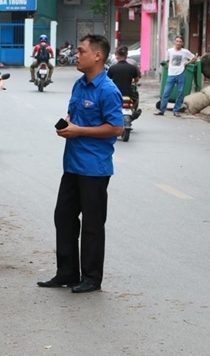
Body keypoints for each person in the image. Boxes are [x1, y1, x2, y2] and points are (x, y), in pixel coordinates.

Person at [37, 34, 123, 294]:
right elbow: (73, 113)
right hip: (72, 165)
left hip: (94, 168)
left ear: (97, 55)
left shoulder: (108, 90)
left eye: (81, 51)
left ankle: (91, 278)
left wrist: (79, 131)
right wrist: (67, 124)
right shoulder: (79, 84)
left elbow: (116, 127)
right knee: (63, 217)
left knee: (93, 225)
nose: (77, 55)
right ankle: (66, 272)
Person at [155, 36, 198, 117]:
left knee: (180, 93)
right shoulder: (170, 51)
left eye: (180, 41)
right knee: (166, 93)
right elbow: (167, 60)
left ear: (182, 43)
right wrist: (169, 68)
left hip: (181, 74)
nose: (178, 43)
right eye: (177, 41)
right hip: (171, 75)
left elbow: (194, 58)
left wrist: (187, 63)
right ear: (174, 42)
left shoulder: (185, 52)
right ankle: (161, 110)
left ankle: (176, 111)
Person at [107, 46, 142, 119]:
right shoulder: (132, 67)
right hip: (128, 93)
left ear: (117, 56)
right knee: (136, 98)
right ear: (126, 56)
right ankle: (134, 112)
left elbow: (107, 80)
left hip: (115, 93)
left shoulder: (113, 68)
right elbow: (136, 79)